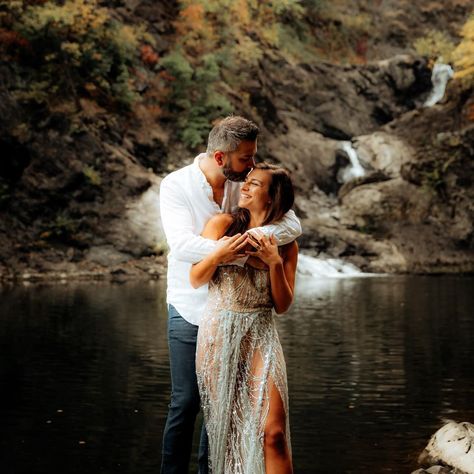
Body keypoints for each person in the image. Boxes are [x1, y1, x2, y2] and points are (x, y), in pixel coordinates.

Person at [159, 116, 301, 474]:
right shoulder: (177, 186)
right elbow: (180, 247)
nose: (251, 166)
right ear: (221, 157)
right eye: (245, 160)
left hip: (252, 321)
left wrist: (266, 257)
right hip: (193, 309)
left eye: (253, 161)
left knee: (226, 413)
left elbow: (290, 223)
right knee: (187, 402)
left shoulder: (244, 184)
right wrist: (227, 251)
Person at [190, 163, 297, 474]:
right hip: (219, 330)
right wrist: (217, 256)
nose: (245, 188)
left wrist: (275, 263)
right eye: (245, 183)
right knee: (230, 430)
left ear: (273, 196)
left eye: (254, 184)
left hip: (261, 333)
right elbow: (196, 278)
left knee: (273, 432)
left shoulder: (286, 243)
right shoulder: (221, 224)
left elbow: (283, 304)